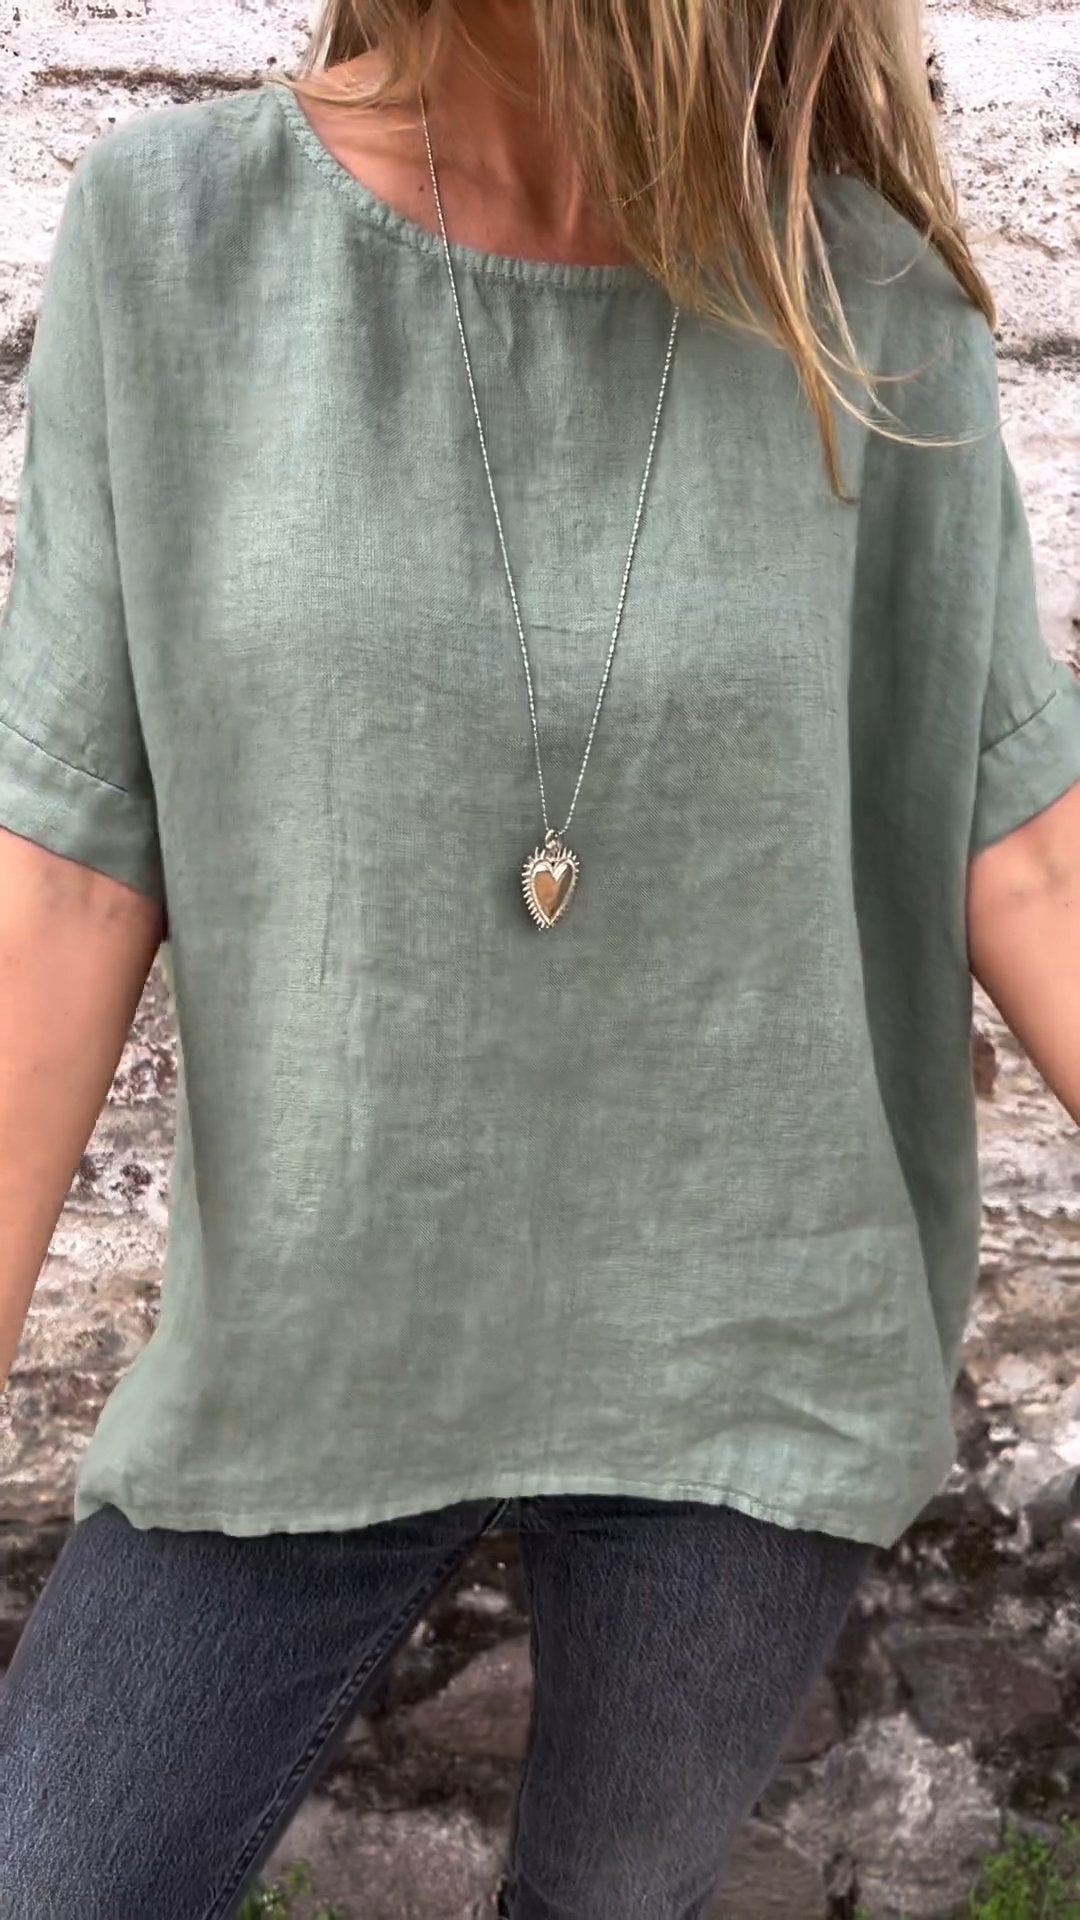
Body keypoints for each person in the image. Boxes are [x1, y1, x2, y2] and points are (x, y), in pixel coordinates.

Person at [1, 0, 1079, 1914]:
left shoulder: (865, 303)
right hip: (310, 1351)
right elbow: (63, 878)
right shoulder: (176, 242)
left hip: (749, 1358)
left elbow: (1028, 850)